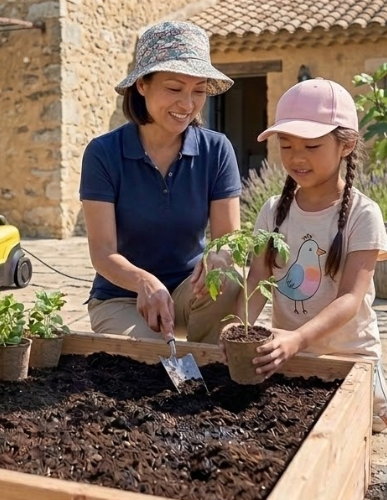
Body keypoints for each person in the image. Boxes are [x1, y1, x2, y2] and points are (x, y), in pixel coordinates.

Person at [236, 78, 387, 433]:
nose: (297, 157)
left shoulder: (362, 214)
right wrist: (237, 325)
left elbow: (351, 300)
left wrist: (296, 339)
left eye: (311, 145)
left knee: (358, 427)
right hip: (285, 357)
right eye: (286, 145)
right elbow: (256, 280)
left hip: (348, 358)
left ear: (346, 145)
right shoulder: (273, 210)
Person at [79, 21, 243, 345]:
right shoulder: (103, 153)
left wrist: (220, 257)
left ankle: (210, 364)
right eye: (174, 88)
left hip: (190, 294)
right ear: (142, 84)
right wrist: (143, 281)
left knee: (229, 280)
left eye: (198, 90)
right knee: (152, 363)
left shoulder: (216, 150)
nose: (187, 104)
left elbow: (227, 239)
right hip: (123, 297)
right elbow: (102, 253)